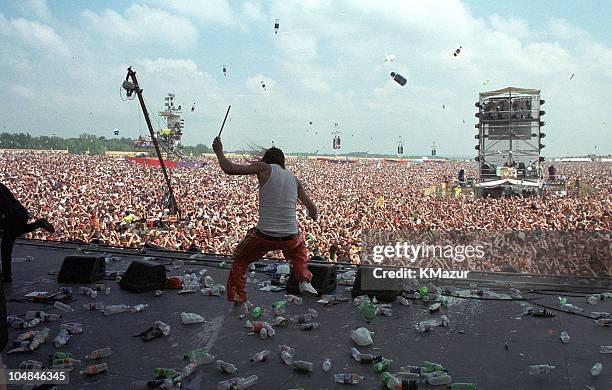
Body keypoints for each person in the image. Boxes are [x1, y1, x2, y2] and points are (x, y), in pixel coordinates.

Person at [212, 137, 318, 312]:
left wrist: (219, 151)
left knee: (240, 258)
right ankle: (304, 281)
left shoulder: (264, 168)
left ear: (267, 159)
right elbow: (313, 210)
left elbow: (229, 169)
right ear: (282, 161)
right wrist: (311, 215)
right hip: (290, 236)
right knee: (299, 252)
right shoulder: (293, 178)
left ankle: (240, 300)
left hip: (264, 235)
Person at [0, 182, 55, 282]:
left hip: (11, 218)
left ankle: (6, 276)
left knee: (6, 248)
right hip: (21, 213)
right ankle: (37, 224)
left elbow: (4, 207)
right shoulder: (1, 186)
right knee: (17, 231)